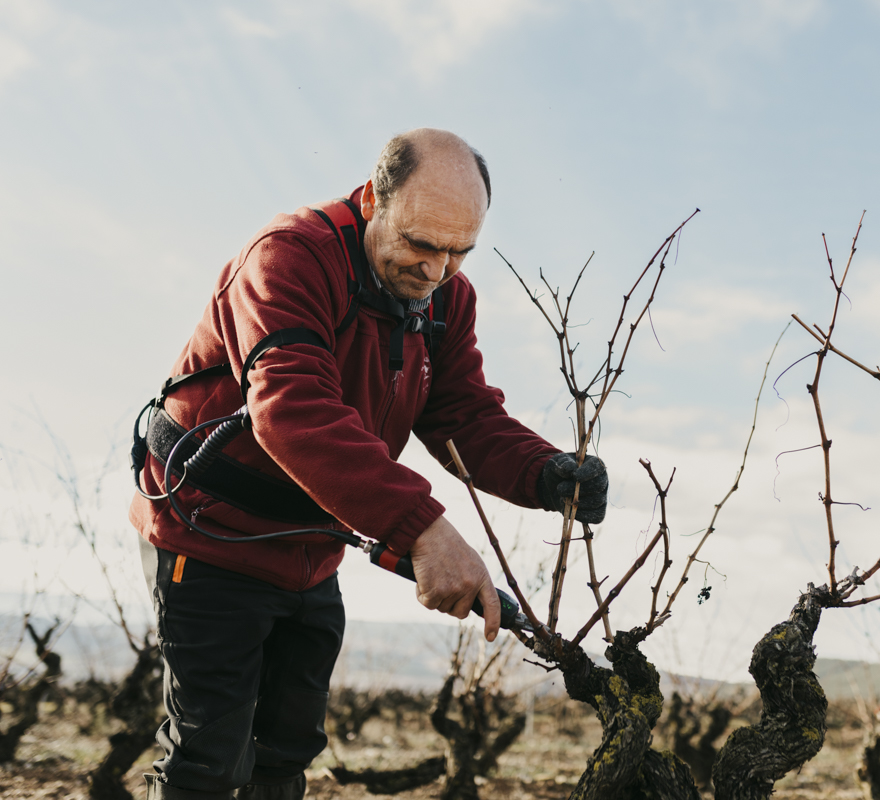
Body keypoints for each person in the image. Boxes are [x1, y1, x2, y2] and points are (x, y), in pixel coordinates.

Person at [129, 128, 607, 800]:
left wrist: (546, 472)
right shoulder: (289, 258)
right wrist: (424, 530)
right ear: (372, 201)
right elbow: (291, 410)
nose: (437, 270)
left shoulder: (445, 299)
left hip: (313, 548)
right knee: (209, 760)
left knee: (285, 754)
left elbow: (463, 415)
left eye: (459, 252)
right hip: (209, 533)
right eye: (420, 244)